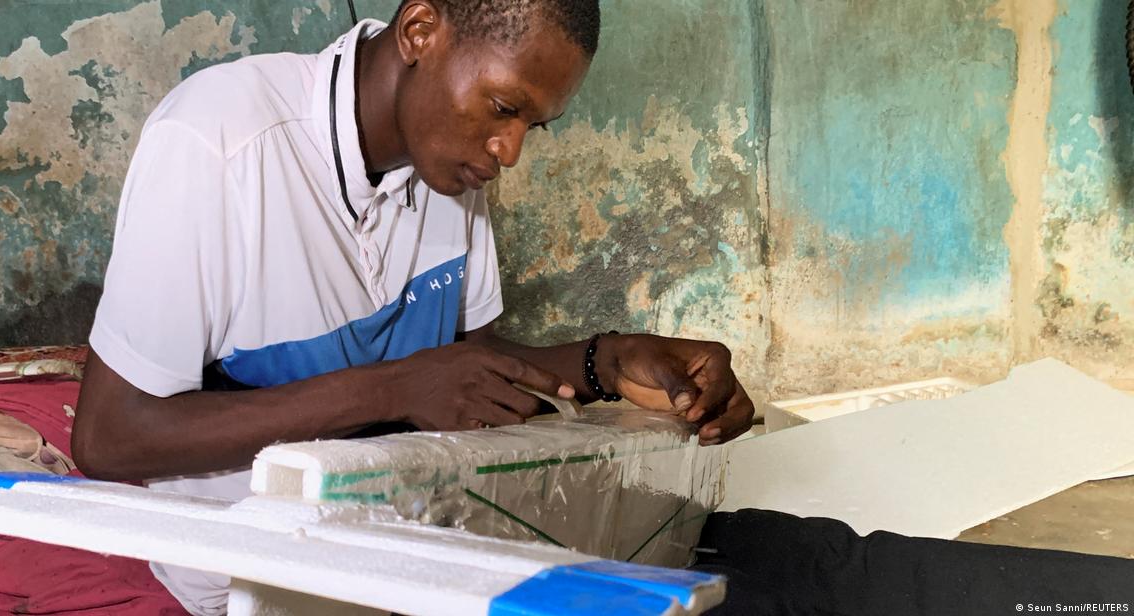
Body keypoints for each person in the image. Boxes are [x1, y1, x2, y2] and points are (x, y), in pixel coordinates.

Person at [73, 0, 752, 612]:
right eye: (504, 108)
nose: (509, 151)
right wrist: (392, 389)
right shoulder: (219, 141)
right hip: (250, 584)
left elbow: (468, 365)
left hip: (406, 552)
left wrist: (608, 360)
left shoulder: (447, 164)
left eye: (533, 128)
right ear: (420, 32)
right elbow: (109, 436)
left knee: (761, 571)